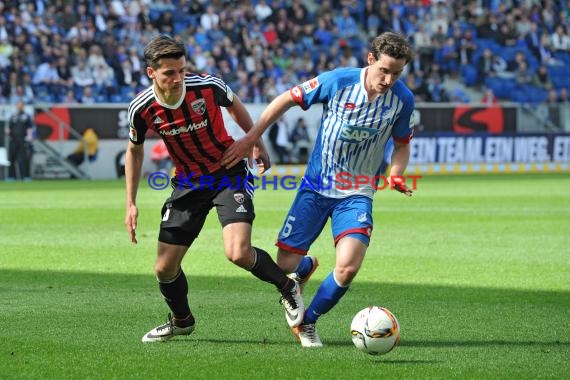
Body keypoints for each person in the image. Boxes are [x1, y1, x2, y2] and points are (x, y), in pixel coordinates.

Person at [222, 32, 415, 348]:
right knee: (283, 266)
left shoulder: (402, 100)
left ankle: (307, 322)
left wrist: (395, 173)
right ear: (370, 60)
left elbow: (403, 144)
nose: (389, 79)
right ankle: (303, 267)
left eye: (397, 73)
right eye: (385, 70)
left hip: (357, 191)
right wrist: (252, 138)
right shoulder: (338, 81)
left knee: (348, 266)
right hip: (316, 187)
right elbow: (285, 99)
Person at [124, 35, 303, 343]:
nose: (179, 78)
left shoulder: (207, 86)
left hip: (227, 172)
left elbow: (234, 105)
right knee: (164, 268)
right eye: (170, 73)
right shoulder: (142, 109)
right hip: (188, 184)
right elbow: (135, 151)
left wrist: (254, 142)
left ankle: (288, 287)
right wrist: (130, 202)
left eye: (181, 69)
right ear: (151, 73)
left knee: (237, 252)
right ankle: (182, 321)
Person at [5, 100, 35, 182]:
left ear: (23, 106)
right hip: (14, 140)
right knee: (11, 159)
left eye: (21, 105)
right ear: (16, 106)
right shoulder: (13, 116)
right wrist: (7, 131)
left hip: (23, 140)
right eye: (18, 105)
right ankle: (11, 177)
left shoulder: (26, 116)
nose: (19, 106)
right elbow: (9, 128)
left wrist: (29, 138)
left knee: (24, 159)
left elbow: (30, 128)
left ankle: (26, 176)